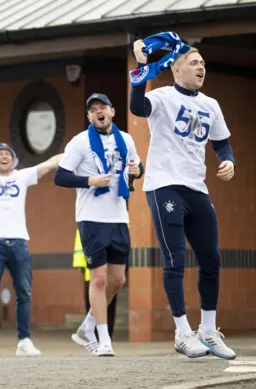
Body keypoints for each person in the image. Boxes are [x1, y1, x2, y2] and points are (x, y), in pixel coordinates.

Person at [130, 39, 236, 359]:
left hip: (197, 188)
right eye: (193, 62)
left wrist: (227, 160)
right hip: (164, 185)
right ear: (175, 69)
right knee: (175, 259)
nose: (201, 66)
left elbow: (222, 143)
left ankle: (208, 330)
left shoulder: (211, 104)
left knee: (211, 259)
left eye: (203, 62)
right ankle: (182, 332)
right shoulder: (162, 96)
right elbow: (137, 108)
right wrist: (140, 73)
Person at [55, 94, 143, 356]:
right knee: (99, 279)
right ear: (89, 117)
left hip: (119, 216)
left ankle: (87, 326)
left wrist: (138, 171)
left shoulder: (126, 139)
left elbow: (136, 168)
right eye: (93, 110)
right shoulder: (80, 142)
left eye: (102, 108)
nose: (98, 112)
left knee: (118, 280)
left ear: (112, 111)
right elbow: (61, 176)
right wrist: (90, 180)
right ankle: (103, 339)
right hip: (91, 217)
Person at [0, 143, 62, 357]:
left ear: (14, 160)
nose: (4, 157)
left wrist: (72, 151)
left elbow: (48, 164)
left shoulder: (21, 176)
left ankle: (24, 340)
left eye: (8, 154)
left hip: (19, 242)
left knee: (24, 292)